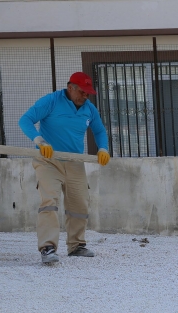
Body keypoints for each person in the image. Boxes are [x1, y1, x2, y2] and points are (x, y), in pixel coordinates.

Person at [19, 72, 111, 264]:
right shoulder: (51, 101)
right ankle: (48, 248)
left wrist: (103, 148)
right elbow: (25, 120)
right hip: (48, 160)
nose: (86, 96)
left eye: (88, 93)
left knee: (79, 205)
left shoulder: (89, 109)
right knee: (50, 202)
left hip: (74, 162)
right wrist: (39, 141)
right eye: (83, 92)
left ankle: (76, 246)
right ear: (71, 88)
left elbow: (99, 130)